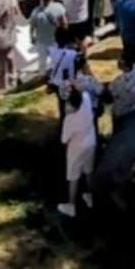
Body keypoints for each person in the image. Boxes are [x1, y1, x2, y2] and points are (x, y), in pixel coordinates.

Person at [58, 86, 96, 218]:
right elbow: (82, 91)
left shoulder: (70, 119)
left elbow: (64, 140)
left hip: (76, 149)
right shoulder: (86, 99)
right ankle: (90, 196)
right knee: (89, 170)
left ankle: (71, 205)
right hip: (91, 143)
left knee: (73, 176)